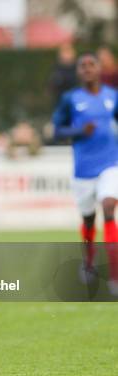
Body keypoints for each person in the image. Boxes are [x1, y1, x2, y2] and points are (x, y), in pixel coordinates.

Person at [52, 53, 118, 292]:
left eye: (92, 65)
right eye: (83, 66)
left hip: (110, 164)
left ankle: (114, 276)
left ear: (99, 70)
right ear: (79, 72)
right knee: (88, 219)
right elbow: (57, 131)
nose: (88, 69)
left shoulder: (113, 96)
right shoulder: (71, 99)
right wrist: (79, 130)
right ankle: (89, 263)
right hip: (83, 170)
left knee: (109, 207)